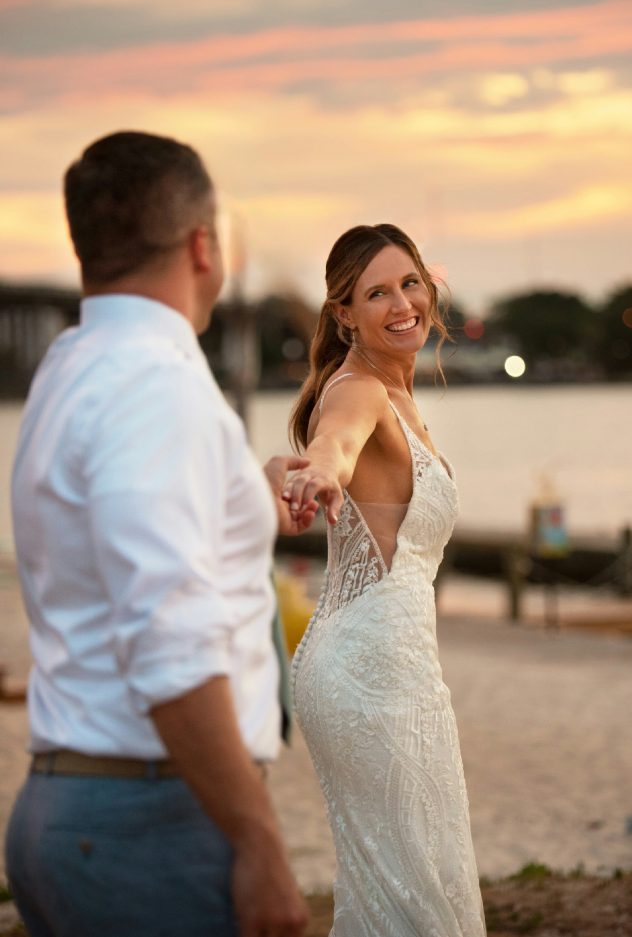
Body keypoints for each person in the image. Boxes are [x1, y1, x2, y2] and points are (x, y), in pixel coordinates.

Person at [5, 131, 310, 937]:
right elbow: (169, 636)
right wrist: (258, 839)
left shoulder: (70, 368)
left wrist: (247, 495)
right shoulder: (154, 385)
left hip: (77, 804)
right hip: (152, 819)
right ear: (202, 245)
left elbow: (113, 538)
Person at [282, 224, 486, 936]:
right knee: (415, 895)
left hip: (389, 662)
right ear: (344, 314)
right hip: (371, 674)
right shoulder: (360, 390)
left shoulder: (395, 393)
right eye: (377, 293)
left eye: (409, 284)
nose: (402, 305)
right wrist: (319, 472)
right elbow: (334, 442)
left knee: (410, 883)